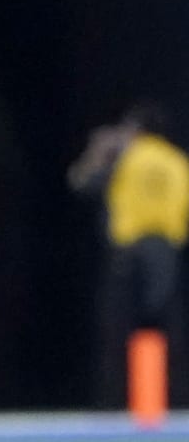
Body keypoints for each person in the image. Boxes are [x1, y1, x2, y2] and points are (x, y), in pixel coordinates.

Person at [67, 103, 189, 410]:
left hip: (129, 253)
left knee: (118, 331)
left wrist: (98, 151)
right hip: (167, 253)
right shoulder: (178, 162)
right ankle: (173, 404)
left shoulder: (125, 158)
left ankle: (115, 405)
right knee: (171, 334)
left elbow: (80, 183)